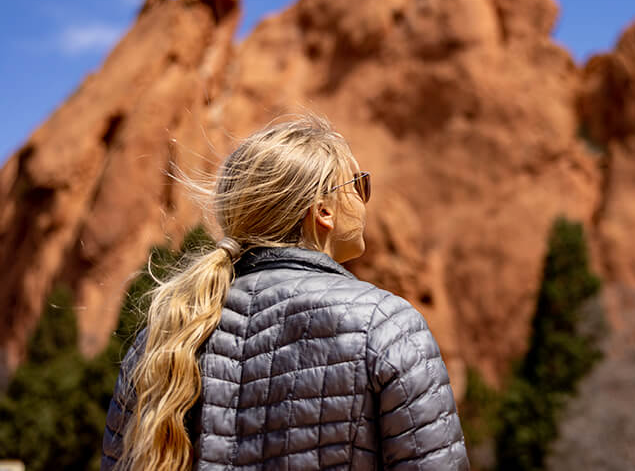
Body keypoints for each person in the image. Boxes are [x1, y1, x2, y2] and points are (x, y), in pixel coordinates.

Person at [101, 115, 469, 470]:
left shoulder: (166, 333)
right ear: (323, 211)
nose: (364, 198)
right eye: (359, 185)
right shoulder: (385, 324)